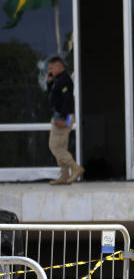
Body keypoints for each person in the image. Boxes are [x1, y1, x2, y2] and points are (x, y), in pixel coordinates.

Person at [44, 56, 82, 185]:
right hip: (62, 115)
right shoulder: (58, 80)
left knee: (54, 146)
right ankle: (64, 176)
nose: (50, 71)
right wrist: (49, 82)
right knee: (61, 146)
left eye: (51, 68)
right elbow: (53, 96)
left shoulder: (64, 80)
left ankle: (75, 168)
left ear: (59, 66)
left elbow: (68, 100)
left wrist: (63, 118)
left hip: (63, 115)